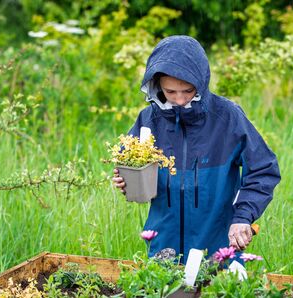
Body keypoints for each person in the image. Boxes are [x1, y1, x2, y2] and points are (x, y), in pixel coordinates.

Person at [112, 35, 281, 263]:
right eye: (170, 92)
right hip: (163, 246)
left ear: (201, 83)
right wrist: (126, 182)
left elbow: (263, 169)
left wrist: (243, 216)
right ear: (157, 85)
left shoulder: (227, 117)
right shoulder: (148, 120)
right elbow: (130, 168)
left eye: (188, 91)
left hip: (218, 247)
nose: (180, 100)